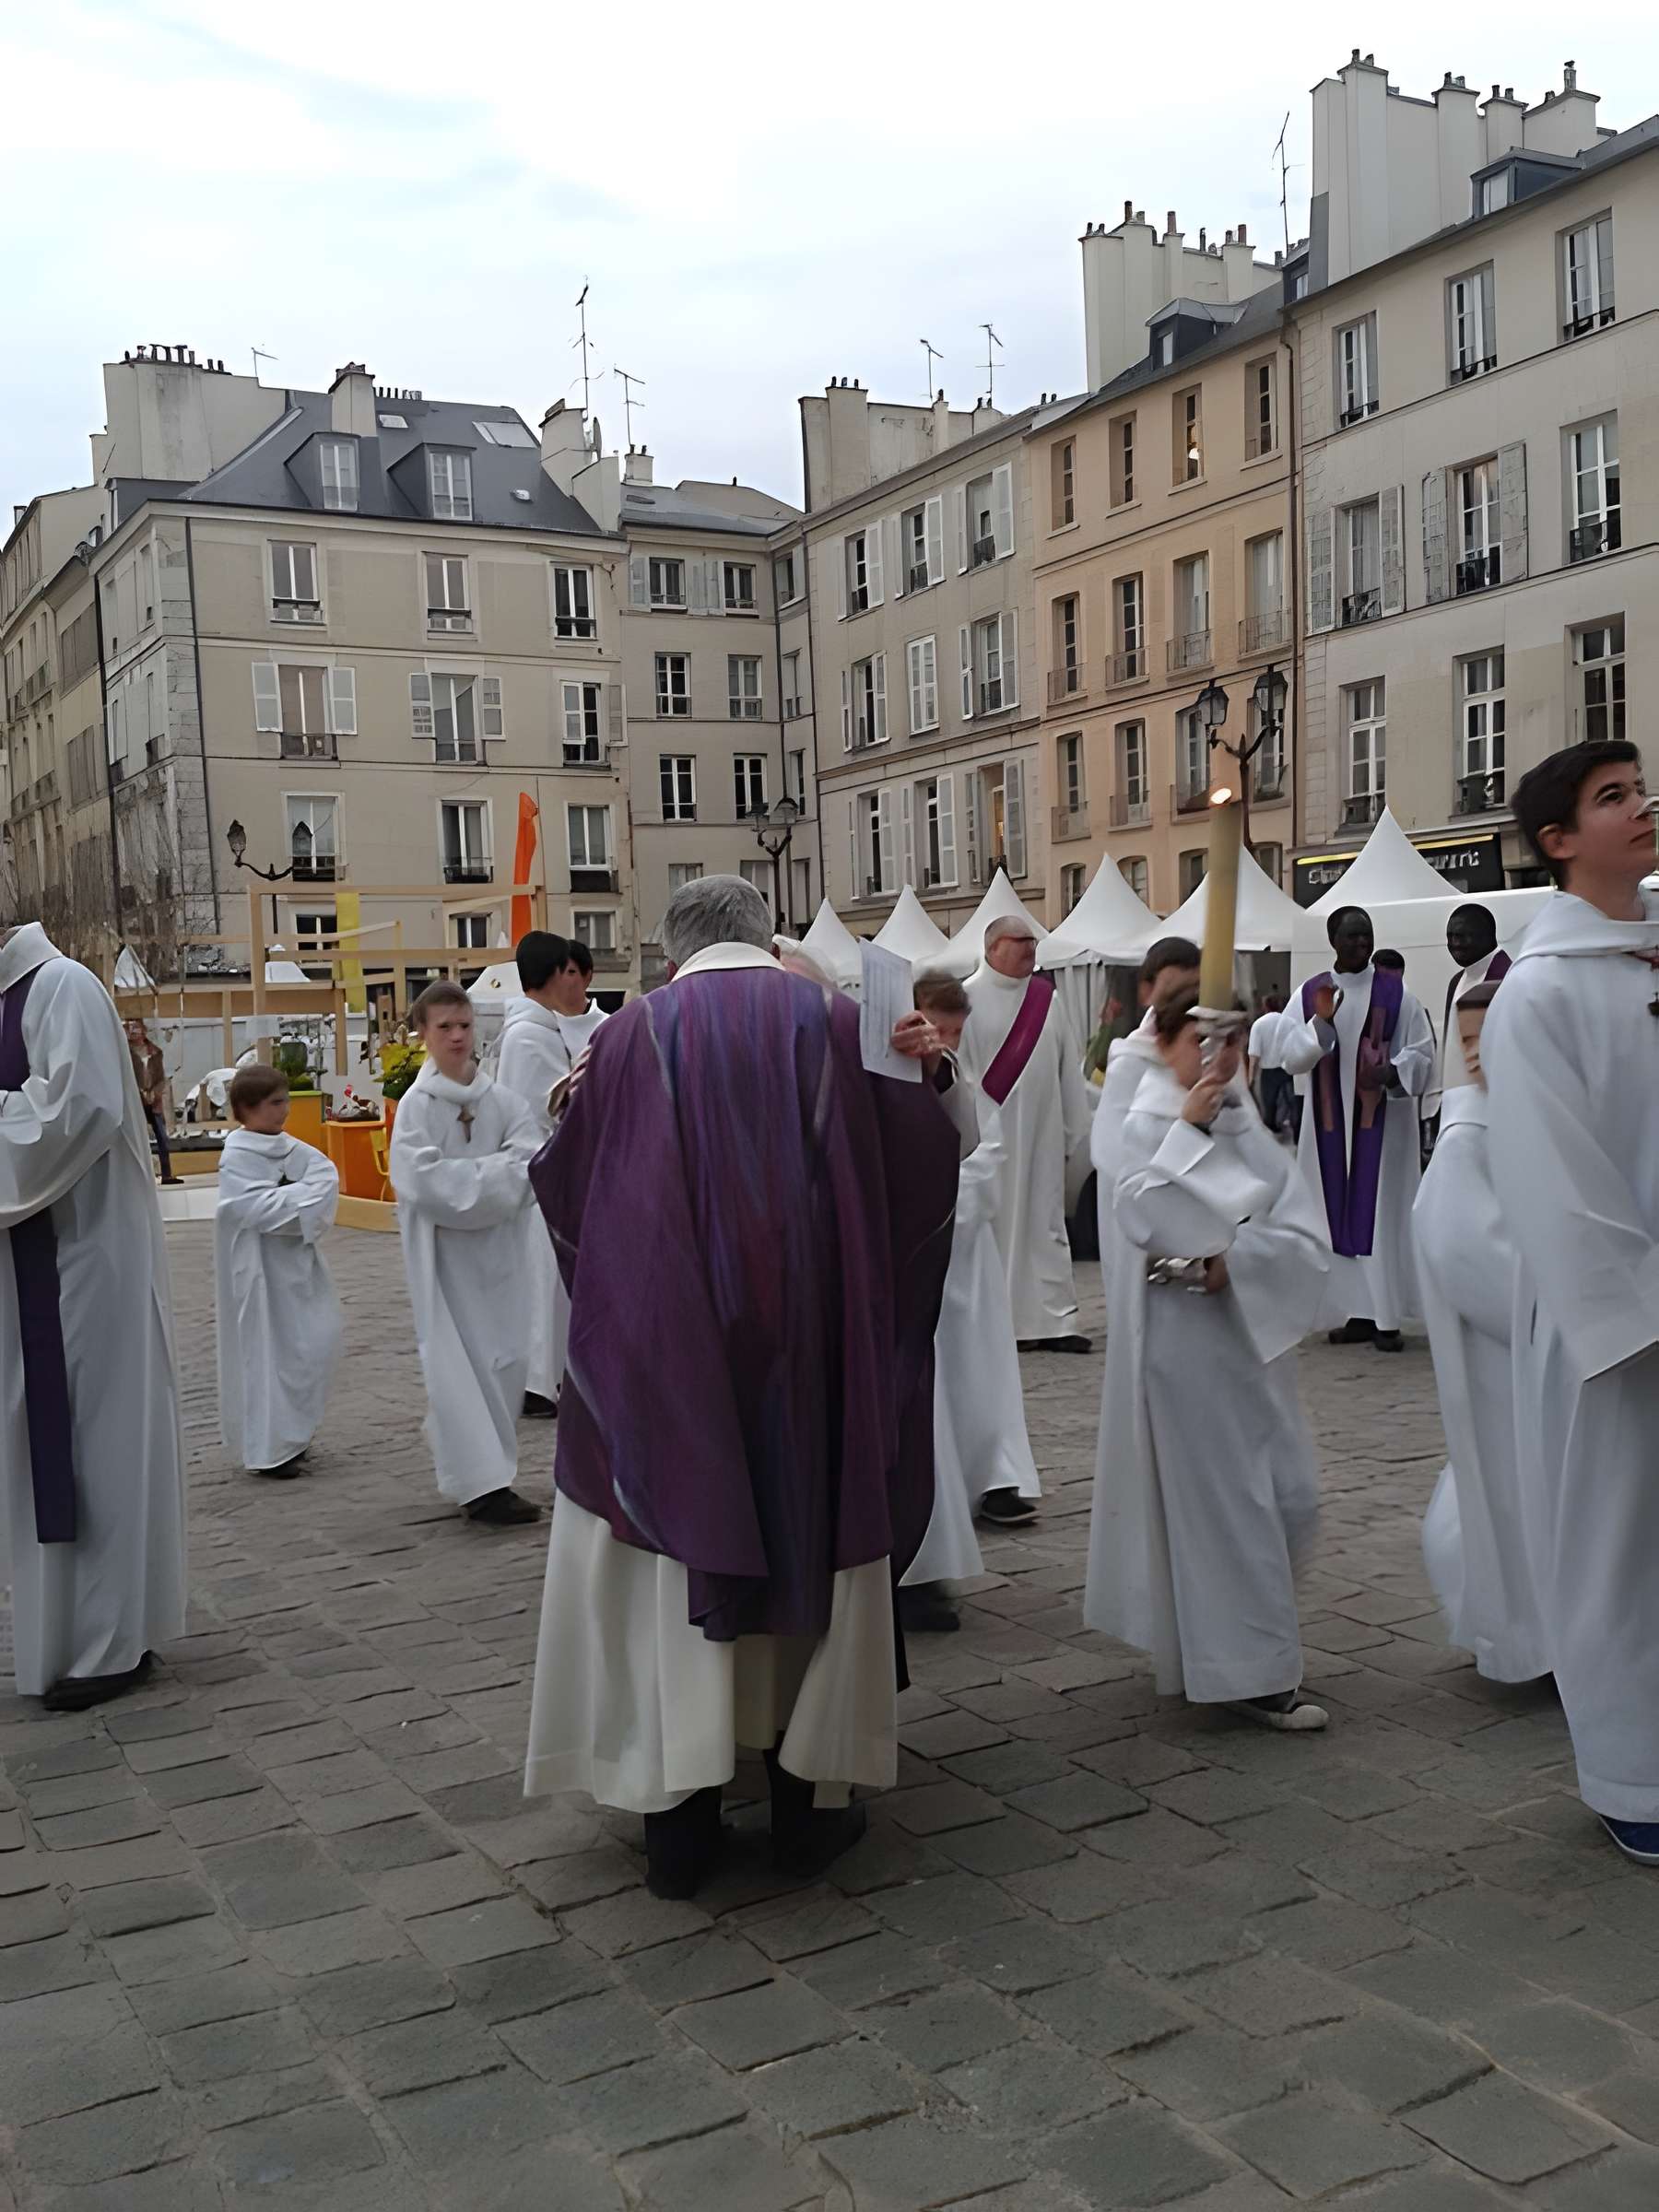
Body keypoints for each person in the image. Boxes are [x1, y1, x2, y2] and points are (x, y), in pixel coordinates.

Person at [522, 876, 960, 1899]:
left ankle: (681, 1817)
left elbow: (572, 1181)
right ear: (767, 938)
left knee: (670, 1556)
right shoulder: (839, 1020)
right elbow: (925, 1165)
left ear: (671, 952)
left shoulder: (630, 1035)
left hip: (672, 1353)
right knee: (814, 1526)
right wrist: (930, 1082)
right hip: (814, 1349)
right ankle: (812, 1806)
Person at [1482, 740, 1659, 1865]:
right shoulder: (1537, 997)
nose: (1641, 807)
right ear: (1558, 841)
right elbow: (1555, 1180)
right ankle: (1631, 1773)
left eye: (1638, 788)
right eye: (1613, 798)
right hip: (1620, 1334)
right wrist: (1637, 1317)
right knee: (1619, 1546)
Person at [1083, 988, 1330, 1728]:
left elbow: (1300, 1224)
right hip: (1187, 1344)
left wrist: (1241, 1259)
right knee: (1227, 1505)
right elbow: (1141, 1213)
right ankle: (1251, 1671)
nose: (1217, 1058)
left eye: (1229, 1042)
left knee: (1292, 1496)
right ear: (1163, 1043)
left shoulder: (1243, 1117)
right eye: (1202, 1040)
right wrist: (1186, 1137)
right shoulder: (1147, 1119)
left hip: (1254, 1337)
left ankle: (1230, 1647)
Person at [0, 923, 186, 1710]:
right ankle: (64, 1636)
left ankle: (112, 1640)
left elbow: (77, 1111)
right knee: (45, 1447)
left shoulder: (63, 985)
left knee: (96, 1444)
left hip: (82, 1261)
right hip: (30, 1266)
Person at [1413, 982, 1547, 1684]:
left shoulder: (1525, 1112)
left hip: (1536, 1349)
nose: (1478, 1053)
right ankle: (1527, 1640)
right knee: (1509, 1494)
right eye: (1467, 1043)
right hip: (1514, 1355)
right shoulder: (1471, 1137)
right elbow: (1462, 1245)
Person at [900, 972, 1041, 1630]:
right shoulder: (892, 1072)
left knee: (978, 1371)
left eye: (955, 1033)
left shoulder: (963, 1078)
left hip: (965, 1256)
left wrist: (949, 1200)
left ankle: (992, 1471)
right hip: (918, 1254)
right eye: (939, 1028)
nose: (946, 1042)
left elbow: (986, 1155)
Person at [390, 981, 544, 1526]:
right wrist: (493, 1179)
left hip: (500, 1257)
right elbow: (421, 1181)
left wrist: (477, 1182)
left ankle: (492, 1469)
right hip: (446, 1262)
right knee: (458, 1365)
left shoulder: (502, 1101)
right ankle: (483, 1483)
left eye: (464, 1026)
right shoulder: (416, 1107)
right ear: (424, 1033)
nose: (457, 1037)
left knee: (504, 1359)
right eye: (444, 1028)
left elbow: (531, 1159)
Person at [1277, 905, 1434, 1352]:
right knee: (1334, 1216)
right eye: (1352, 936)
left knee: (1381, 1213)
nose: (1362, 943)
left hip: (1380, 1128)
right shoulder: (1311, 994)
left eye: (1366, 935)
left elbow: (1422, 1052)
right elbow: (1290, 1056)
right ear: (1333, 941)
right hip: (1330, 1126)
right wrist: (1320, 1025)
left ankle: (1387, 1317)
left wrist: (1393, 1073)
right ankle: (1356, 1313)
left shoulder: (1397, 994)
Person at [959, 913, 1093, 1351]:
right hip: (991, 1140)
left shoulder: (1045, 999)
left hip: (1043, 1134)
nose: (1029, 950)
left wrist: (1076, 1125)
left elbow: (1067, 1064)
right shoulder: (966, 999)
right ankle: (1006, 1324)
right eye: (1019, 942)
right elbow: (962, 1069)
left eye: (1033, 943)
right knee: (998, 1227)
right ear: (992, 947)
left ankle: (1055, 1320)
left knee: (1046, 1222)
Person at [216, 1064, 342, 1479]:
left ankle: (297, 1435)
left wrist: (289, 1201)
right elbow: (251, 1208)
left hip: (298, 1267)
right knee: (267, 1352)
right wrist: (297, 1200)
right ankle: (271, 1448)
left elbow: (325, 1179)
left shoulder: (293, 1149)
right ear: (246, 1109)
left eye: (285, 1100)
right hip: (260, 1271)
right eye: (274, 1103)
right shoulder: (237, 1155)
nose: (284, 1110)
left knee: (308, 1346)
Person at [494, 932, 597, 1419]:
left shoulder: (544, 1030)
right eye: (568, 972)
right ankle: (539, 1380)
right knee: (543, 1278)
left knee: (554, 1281)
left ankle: (551, 1374)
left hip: (556, 1170)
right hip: (539, 1173)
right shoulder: (526, 1036)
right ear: (554, 974)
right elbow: (546, 1106)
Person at [1091, 937, 1201, 1305]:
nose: (1182, 1000)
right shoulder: (1131, 1059)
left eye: (1193, 988)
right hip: (1143, 1220)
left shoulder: (1211, 1052)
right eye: (1173, 988)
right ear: (1147, 991)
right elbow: (1109, 1152)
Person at [1422, 903, 1512, 1137]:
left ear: (1486, 935)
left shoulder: (1506, 979)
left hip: (1492, 1105)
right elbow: (1448, 1046)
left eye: (1462, 936)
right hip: (1457, 1103)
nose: (1454, 944)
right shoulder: (1457, 981)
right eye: (1450, 937)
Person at [125, 1017, 182, 1186]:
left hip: (154, 1101)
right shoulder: (124, 1053)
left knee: (162, 1137)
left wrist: (155, 1093)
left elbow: (160, 1077)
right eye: (129, 1028)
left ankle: (166, 1174)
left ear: (143, 1030)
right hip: (135, 1101)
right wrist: (137, 1093)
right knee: (136, 1139)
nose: (132, 1031)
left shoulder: (155, 1052)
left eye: (136, 1027)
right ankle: (139, 1176)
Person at [1247, 992, 1294, 1138]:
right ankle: (1296, 1133)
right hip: (1288, 1068)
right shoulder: (1290, 1022)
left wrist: (1251, 1078)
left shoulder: (1259, 1024)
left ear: (1265, 1006)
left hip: (1268, 1071)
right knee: (1292, 1103)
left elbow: (1254, 1055)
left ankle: (1273, 1135)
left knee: (1269, 1106)